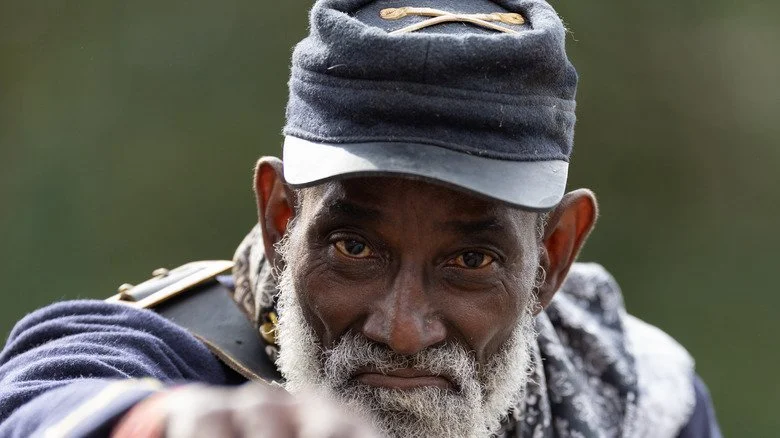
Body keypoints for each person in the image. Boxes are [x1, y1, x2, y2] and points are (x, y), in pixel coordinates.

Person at [0, 0, 721, 437]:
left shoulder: (635, 398)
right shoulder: (179, 361)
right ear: (283, 221)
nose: (402, 329)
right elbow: (45, 395)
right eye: (353, 246)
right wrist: (162, 424)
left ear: (554, 257)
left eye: (470, 260)